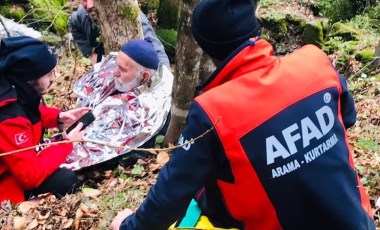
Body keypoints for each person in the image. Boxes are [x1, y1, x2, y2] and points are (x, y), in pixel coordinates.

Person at [111, 0, 376, 229]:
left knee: (204, 188)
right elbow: (348, 118)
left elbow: (169, 196)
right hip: (357, 220)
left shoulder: (213, 110)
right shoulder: (315, 60)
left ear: (207, 48)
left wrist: (127, 226)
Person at [0, 36, 90, 203]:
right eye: (48, 73)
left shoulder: (11, 88)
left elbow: (28, 111)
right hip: (6, 186)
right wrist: (66, 144)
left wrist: (57, 117)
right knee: (65, 180)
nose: (53, 78)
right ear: (29, 77)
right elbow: (30, 176)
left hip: (12, 171)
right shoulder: (8, 116)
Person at [61, 39, 173, 170]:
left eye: (122, 69)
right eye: (116, 65)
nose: (114, 72)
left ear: (144, 77)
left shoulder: (154, 111)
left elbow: (126, 150)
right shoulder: (117, 82)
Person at [68, 0, 170, 67]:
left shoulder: (130, 15)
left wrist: (164, 80)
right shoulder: (82, 15)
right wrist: (90, 53)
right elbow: (72, 23)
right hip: (105, 67)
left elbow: (156, 51)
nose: (89, 5)